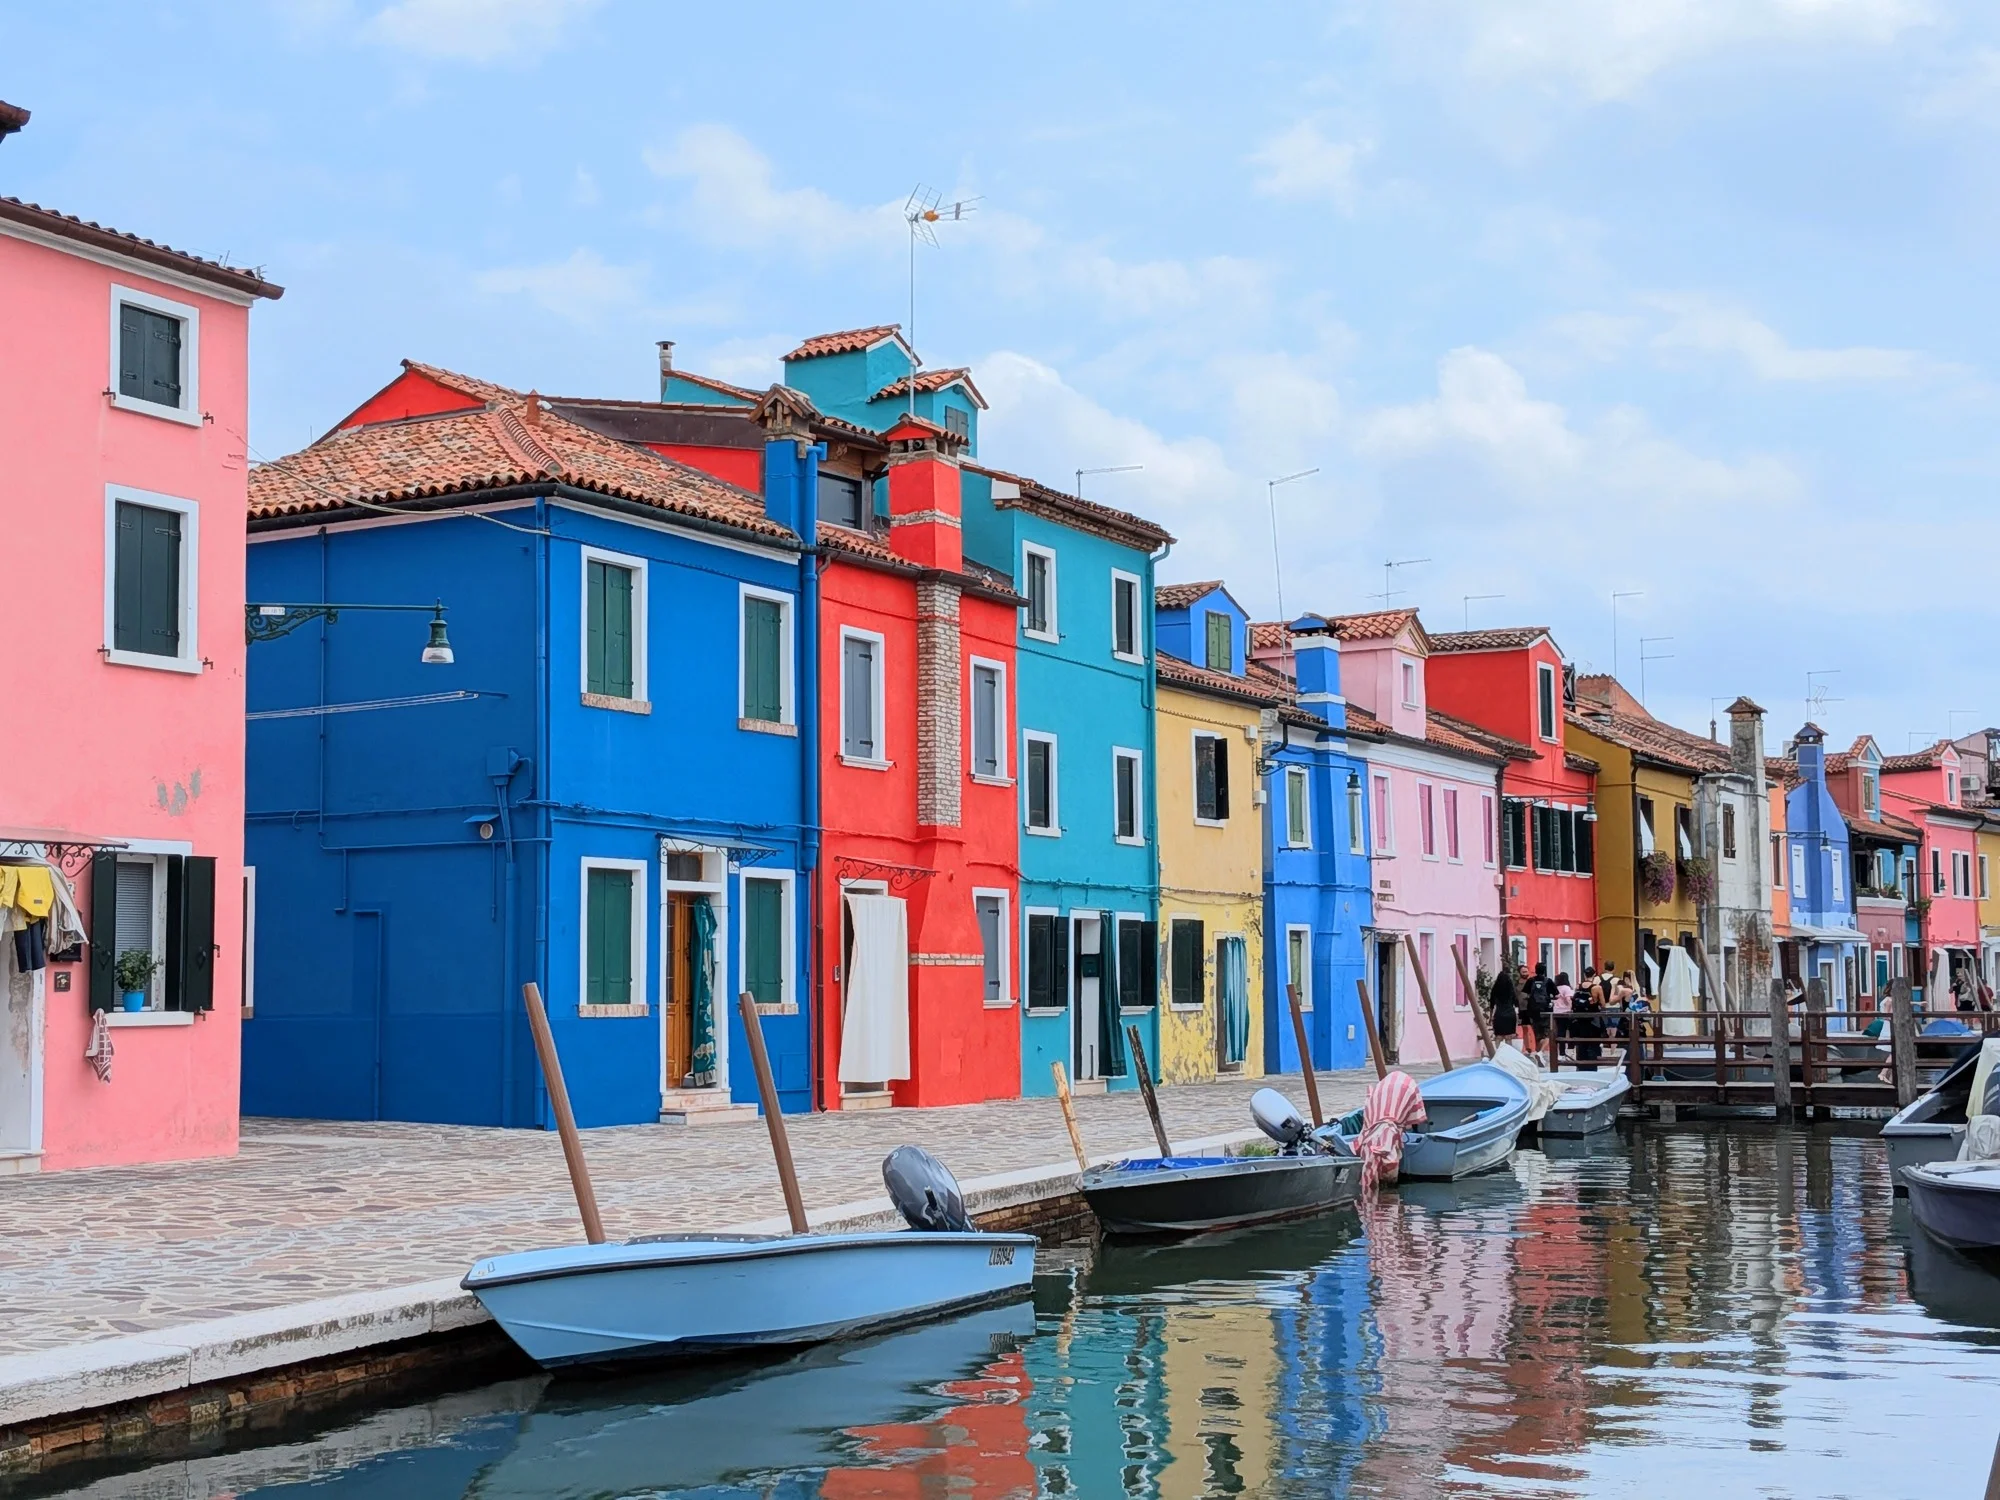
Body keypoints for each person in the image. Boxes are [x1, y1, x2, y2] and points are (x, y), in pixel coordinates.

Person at [1523, 963, 1557, 1061]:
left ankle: (1538, 1055)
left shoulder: (1530, 980)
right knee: (1548, 1034)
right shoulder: (1548, 981)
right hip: (1546, 1010)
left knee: (1537, 1033)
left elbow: (1526, 994)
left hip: (1533, 1011)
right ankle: (1540, 1052)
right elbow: (1556, 994)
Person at [1489, 967, 1520, 1042]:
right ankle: (1508, 1053)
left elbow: (1491, 1004)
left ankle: (1499, 1052)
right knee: (1508, 1037)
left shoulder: (1495, 990)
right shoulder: (1511, 990)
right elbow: (1516, 1003)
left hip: (1499, 1015)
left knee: (1498, 1036)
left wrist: (1490, 1017)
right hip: (1510, 1015)